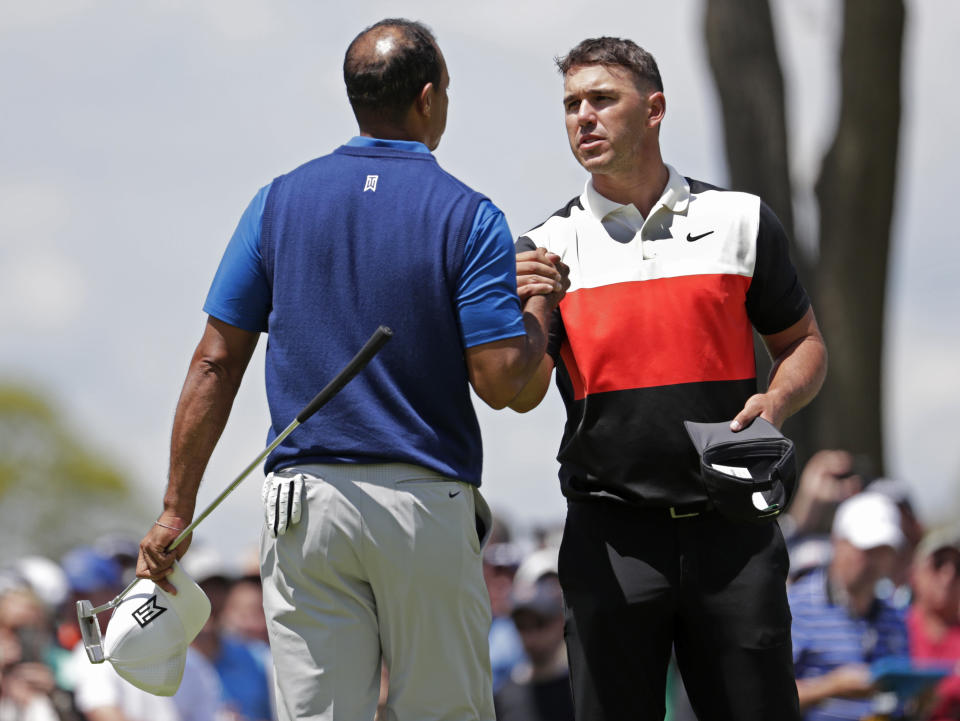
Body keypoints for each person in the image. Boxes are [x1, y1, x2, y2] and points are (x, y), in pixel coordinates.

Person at [136, 17, 566, 721]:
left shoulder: (277, 202)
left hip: (303, 508)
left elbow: (215, 360)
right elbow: (499, 382)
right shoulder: (471, 215)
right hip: (420, 504)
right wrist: (540, 310)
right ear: (428, 98)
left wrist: (177, 508)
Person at [510, 36, 827, 721]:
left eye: (601, 99)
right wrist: (519, 317)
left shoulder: (739, 220)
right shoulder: (543, 248)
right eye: (571, 105)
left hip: (733, 532)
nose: (582, 118)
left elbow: (803, 344)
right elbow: (521, 389)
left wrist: (777, 399)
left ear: (654, 109)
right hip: (609, 536)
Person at [790, 492, 909, 720]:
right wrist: (830, 687)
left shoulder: (894, 615)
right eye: (866, 549)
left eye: (883, 550)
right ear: (837, 542)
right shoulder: (795, 606)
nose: (874, 561)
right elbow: (768, 695)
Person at [493, 548, 573, 721]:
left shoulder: (581, 691)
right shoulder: (502, 697)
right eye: (521, 625)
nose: (531, 636)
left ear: (560, 621)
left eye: (540, 623)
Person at [907, 525, 960, 720]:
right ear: (914, 574)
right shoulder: (893, 629)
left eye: (958, 567)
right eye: (938, 564)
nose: (949, 575)